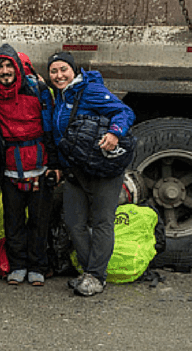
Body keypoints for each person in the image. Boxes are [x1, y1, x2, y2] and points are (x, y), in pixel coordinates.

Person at [45, 51, 135, 297]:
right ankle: (89, 272)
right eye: (54, 71)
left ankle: (96, 276)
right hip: (76, 171)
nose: (59, 75)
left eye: (64, 69)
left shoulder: (90, 91)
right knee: (75, 223)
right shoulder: (60, 97)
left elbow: (124, 112)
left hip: (103, 170)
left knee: (102, 222)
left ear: (74, 70)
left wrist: (115, 133)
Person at [0, 44, 52, 286]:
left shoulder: (38, 90)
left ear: (16, 67)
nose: (5, 71)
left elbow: (50, 128)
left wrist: (54, 163)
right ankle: (18, 266)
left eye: (8, 66)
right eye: (0, 67)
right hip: (11, 169)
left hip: (39, 167)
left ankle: (37, 267)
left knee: (38, 221)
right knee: (13, 222)